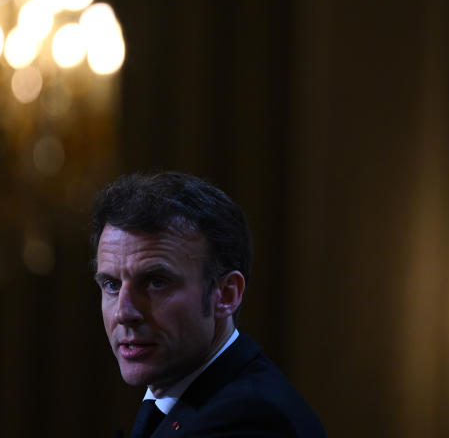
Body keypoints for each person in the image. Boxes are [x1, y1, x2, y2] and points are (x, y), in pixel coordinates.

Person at [91, 171, 327, 438]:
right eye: (112, 285)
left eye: (156, 282)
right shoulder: (186, 398)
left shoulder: (251, 421)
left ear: (226, 295)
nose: (124, 312)